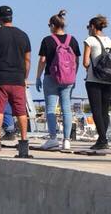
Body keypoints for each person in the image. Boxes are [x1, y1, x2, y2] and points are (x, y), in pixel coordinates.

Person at [0, 6, 31, 156]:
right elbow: (28, 59)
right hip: (18, 79)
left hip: (0, 79)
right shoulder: (23, 35)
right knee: (21, 111)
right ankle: (23, 142)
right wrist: (24, 77)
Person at [34, 10, 81, 151]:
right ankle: (66, 140)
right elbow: (76, 60)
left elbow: (42, 60)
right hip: (68, 79)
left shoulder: (47, 40)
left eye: (49, 25)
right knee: (67, 109)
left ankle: (53, 139)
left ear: (53, 25)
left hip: (51, 77)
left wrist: (37, 77)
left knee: (50, 109)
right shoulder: (72, 40)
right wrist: (73, 75)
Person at [82, 16, 111, 154]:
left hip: (93, 79)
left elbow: (85, 62)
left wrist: (89, 68)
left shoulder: (89, 40)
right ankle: (103, 138)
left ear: (92, 27)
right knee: (104, 110)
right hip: (108, 79)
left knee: (96, 110)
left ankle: (102, 140)